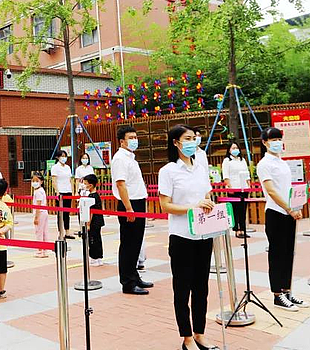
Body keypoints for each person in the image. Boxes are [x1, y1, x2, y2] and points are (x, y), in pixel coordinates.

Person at [158, 124, 218, 350]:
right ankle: (187, 338)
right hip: (181, 236)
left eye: (194, 138)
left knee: (202, 287)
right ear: (176, 142)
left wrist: (209, 205)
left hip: (204, 235)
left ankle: (200, 333)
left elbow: (207, 195)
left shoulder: (200, 168)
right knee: (182, 289)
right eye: (187, 138)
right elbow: (165, 205)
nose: (192, 142)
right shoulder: (168, 171)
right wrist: (192, 208)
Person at [257, 127, 310, 312]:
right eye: (273, 140)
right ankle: (277, 294)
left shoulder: (282, 162)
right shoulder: (264, 164)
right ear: (264, 142)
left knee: (288, 253)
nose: (277, 143)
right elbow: (271, 191)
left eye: (279, 139)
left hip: (289, 212)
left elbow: (288, 188)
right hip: (276, 212)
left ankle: (288, 291)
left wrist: (295, 206)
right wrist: (288, 208)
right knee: (277, 255)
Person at [110, 125, 153, 295]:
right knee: (128, 244)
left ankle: (134, 276)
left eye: (136, 137)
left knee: (136, 243)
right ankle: (128, 282)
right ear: (122, 141)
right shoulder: (120, 158)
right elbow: (121, 184)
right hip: (130, 204)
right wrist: (128, 208)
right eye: (131, 138)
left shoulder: (131, 158)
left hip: (138, 202)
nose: (135, 140)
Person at [222, 143, 252, 238]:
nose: (235, 149)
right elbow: (226, 175)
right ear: (229, 150)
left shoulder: (242, 160)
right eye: (233, 148)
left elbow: (247, 173)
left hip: (244, 188)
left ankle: (243, 229)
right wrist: (229, 187)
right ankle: (237, 230)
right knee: (235, 209)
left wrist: (249, 185)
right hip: (233, 188)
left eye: (237, 147)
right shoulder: (227, 161)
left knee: (243, 210)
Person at [51, 149, 75, 239]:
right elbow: (54, 181)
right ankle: (61, 232)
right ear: (58, 157)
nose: (64, 158)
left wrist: (72, 191)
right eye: (62, 156)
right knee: (60, 214)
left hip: (68, 191)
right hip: (60, 192)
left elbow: (70, 180)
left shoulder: (68, 167)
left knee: (67, 213)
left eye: (65, 156)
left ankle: (67, 232)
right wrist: (57, 192)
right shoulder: (55, 167)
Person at [82, 174, 104, 266]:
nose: (83, 185)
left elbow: (91, 211)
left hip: (94, 221)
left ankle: (94, 257)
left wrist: (88, 224)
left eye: (85, 183)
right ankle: (99, 257)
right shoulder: (96, 195)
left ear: (90, 185)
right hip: (99, 220)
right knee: (98, 239)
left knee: (92, 239)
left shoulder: (91, 196)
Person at [31, 172, 50, 258]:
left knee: (39, 231)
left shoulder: (38, 192)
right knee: (44, 231)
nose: (34, 182)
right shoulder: (41, 190)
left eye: (36, 180)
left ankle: (40, 250)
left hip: (40, 213)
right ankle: (45, 250)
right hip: (44, 212)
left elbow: (38, 205)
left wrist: (36, 217)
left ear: (41, 181)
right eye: (33, 180)